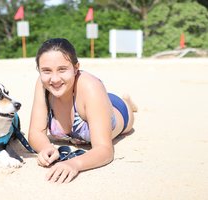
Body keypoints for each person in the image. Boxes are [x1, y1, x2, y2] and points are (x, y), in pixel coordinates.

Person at [28, 38, 137, 183]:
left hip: (118, 110)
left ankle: (128, 102)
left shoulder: (91, 86)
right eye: (46, 71)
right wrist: (46, 147)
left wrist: (73, 164)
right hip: (93, 103)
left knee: (125, 110)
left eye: (62, 69)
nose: (54, 79)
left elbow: (105, 150)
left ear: (76, 68)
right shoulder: (43, 85)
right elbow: (35, 132)